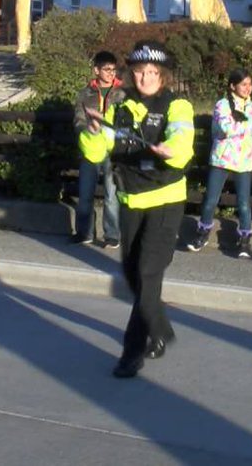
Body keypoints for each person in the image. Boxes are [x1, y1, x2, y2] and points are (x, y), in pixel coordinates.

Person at [80, 41, 194, 378]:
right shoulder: (120, 106)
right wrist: (94, 132)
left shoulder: (177, 105)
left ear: (163, 76)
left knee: (147, 273)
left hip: (165, 199)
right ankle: (158, 331)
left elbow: (182, 138)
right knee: (133, 277)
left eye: (152, 73)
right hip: (131, 201)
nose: (145, 78)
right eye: (140, 72)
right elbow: (97, 151)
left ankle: (134, 351)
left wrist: (172, 149)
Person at [189, 68, 252, 258]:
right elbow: (226, 127)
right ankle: (203, 232)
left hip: (244, 161)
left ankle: (245, 239)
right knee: (210, 200)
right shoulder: (222, 105)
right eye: (243, 84)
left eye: (250, 84)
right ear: (233, 86)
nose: (248, 88)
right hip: (222, 158)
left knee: (244, 203)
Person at [72, 51, 125, 247]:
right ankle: (84, 232)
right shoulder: (84, 94)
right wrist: (89, 128)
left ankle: (112, 235)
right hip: (91, 149)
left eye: (113, 69)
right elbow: (78, 119)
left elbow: (127, 121)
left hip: (113, 151)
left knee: (112, 195)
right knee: (85, 193)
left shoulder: (123, 94)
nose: (111, 73)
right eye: (107, 69)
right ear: (96, 70)